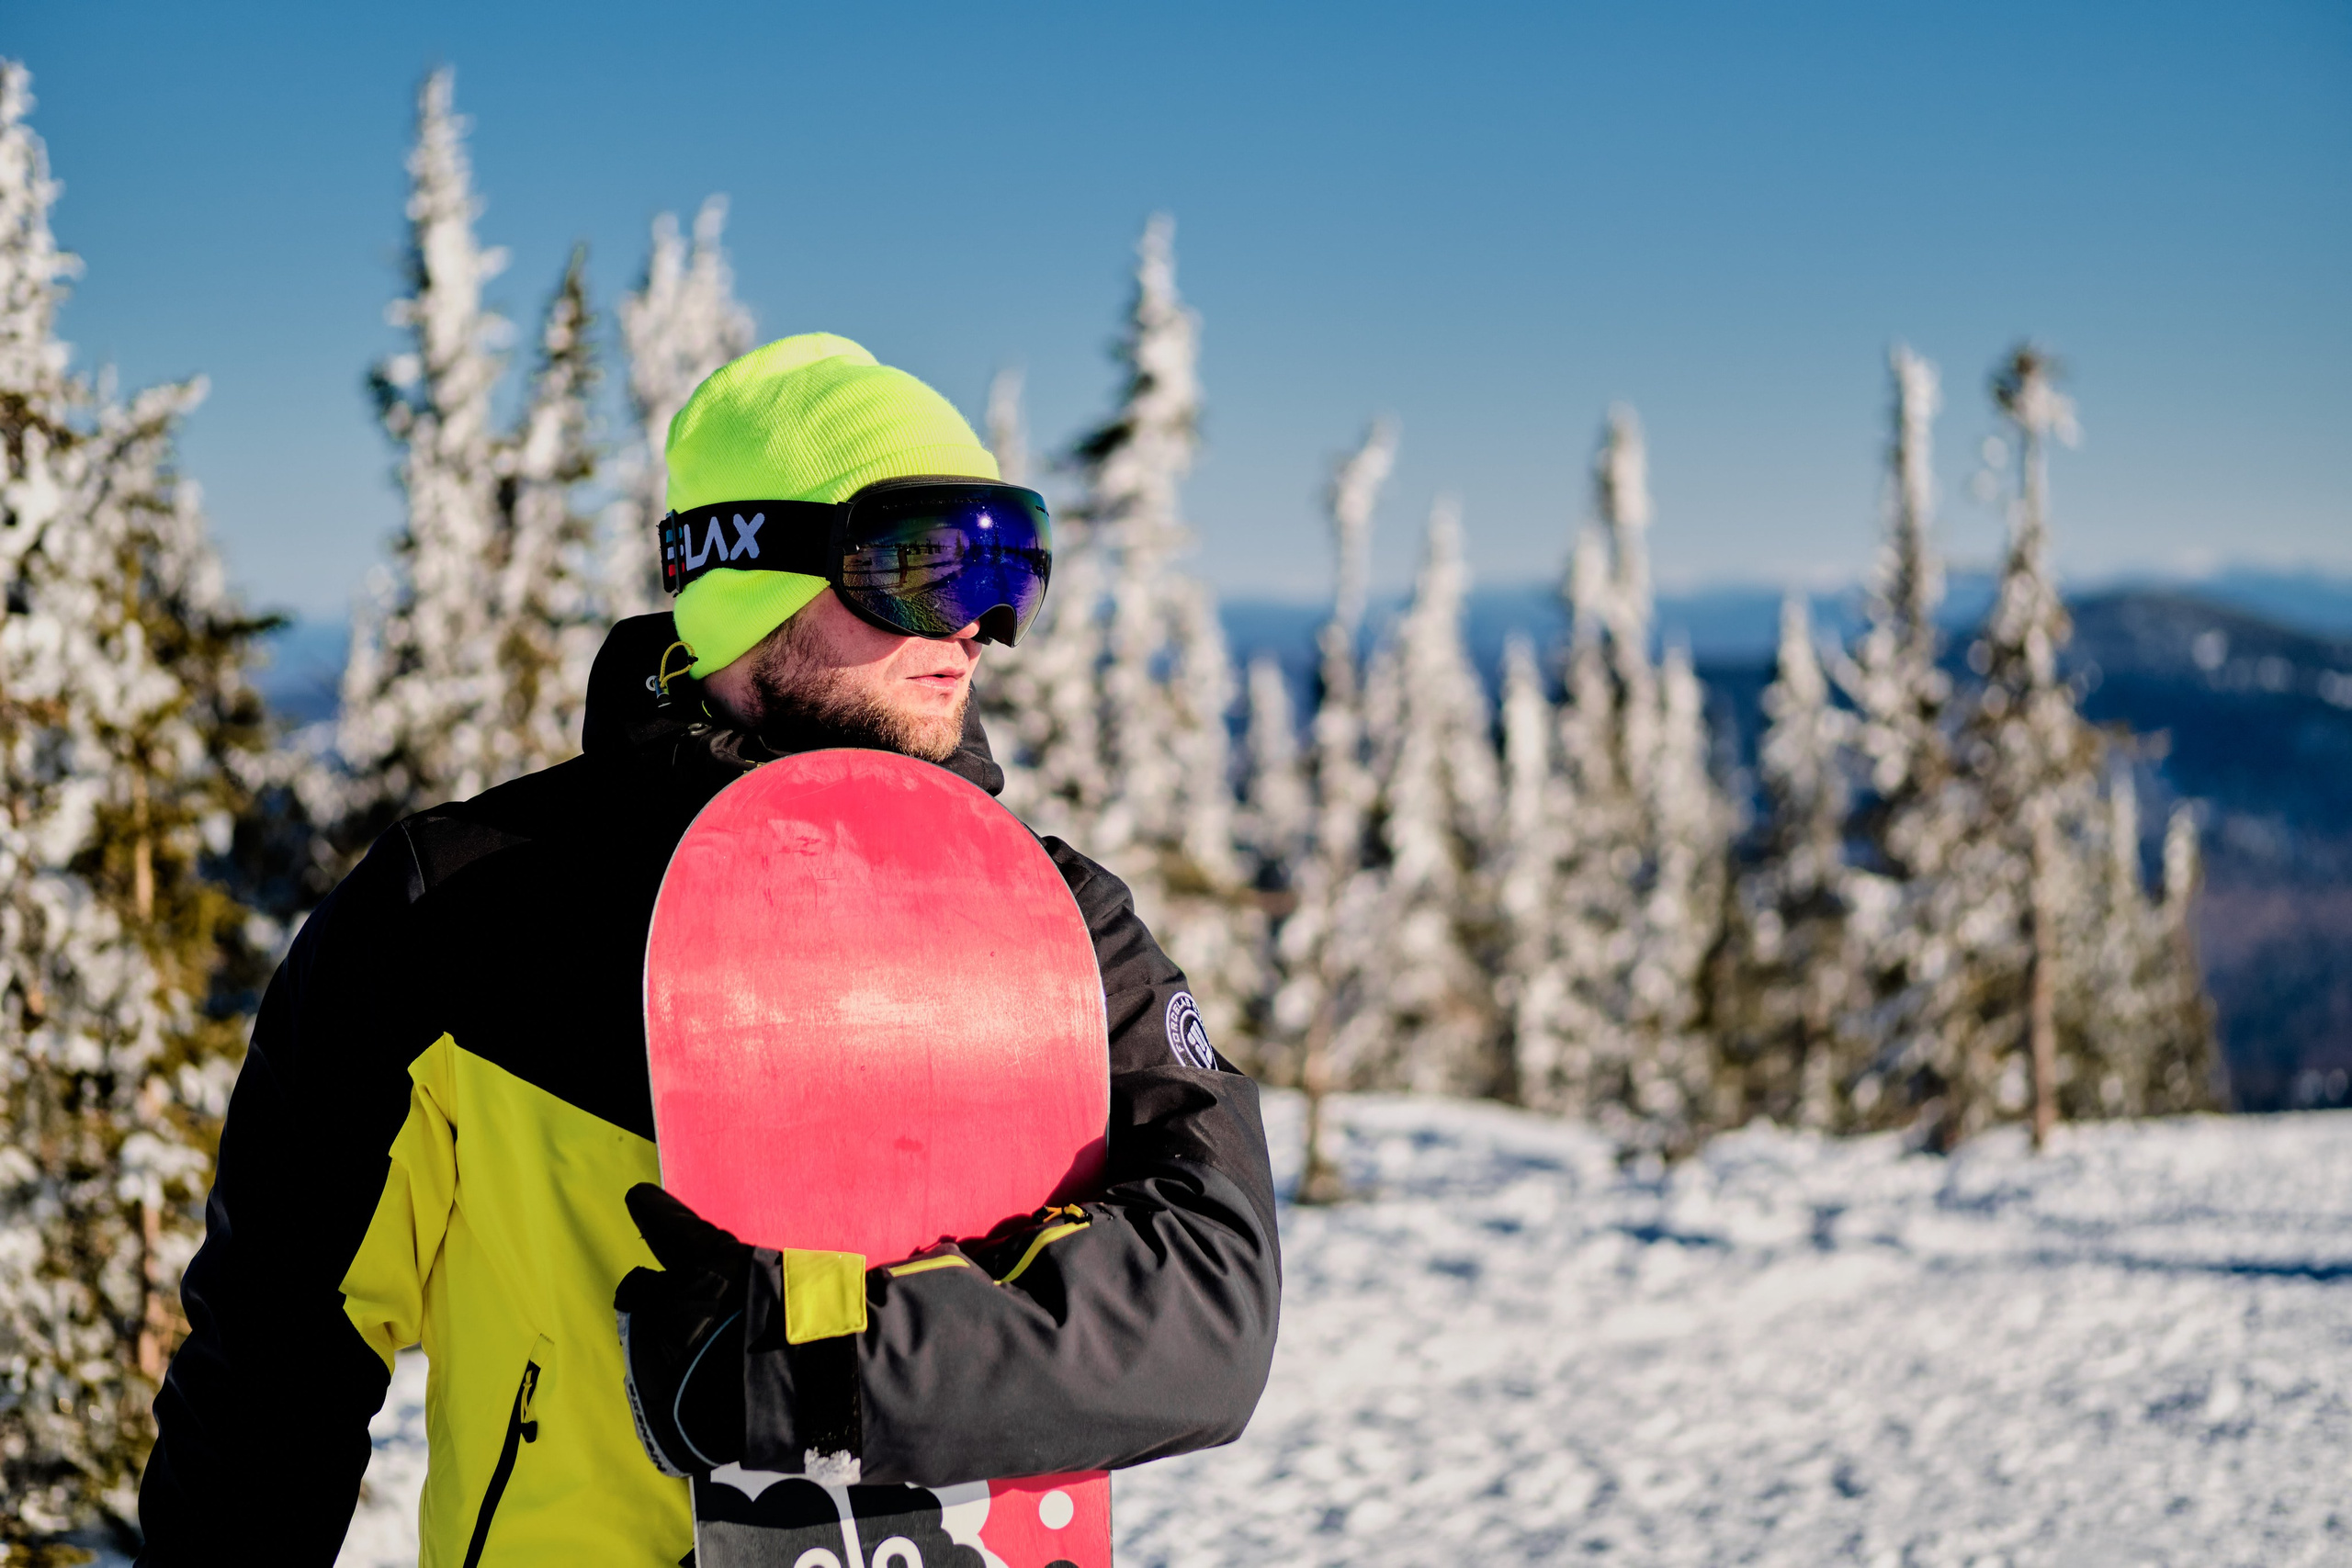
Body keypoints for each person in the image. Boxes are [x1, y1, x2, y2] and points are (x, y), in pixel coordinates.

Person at [136, 334, 1282, 1564]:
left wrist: (816, 1360)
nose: (980, 626)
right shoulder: (457, 913)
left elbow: (1213, 1305)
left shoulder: (1057, 923)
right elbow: (274, 1360)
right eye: (921, 565)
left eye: (1011, 569)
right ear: (746, 573)